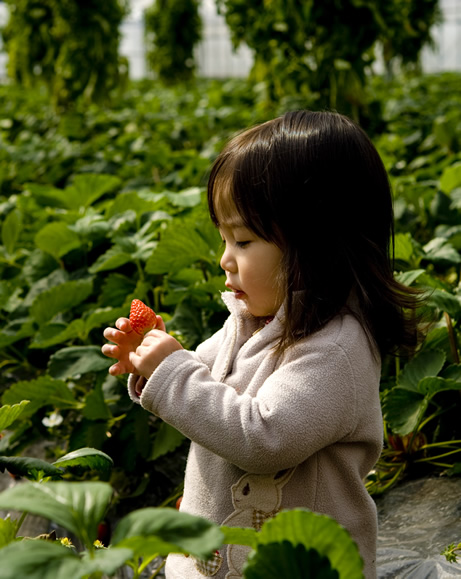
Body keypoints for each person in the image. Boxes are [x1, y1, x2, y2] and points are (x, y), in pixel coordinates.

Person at [102, 110, 422, 579]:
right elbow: (203, 387)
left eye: (244, 240)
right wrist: (152, 361)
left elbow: (262, 438)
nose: (224, 259)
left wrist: (171, 371)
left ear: (317, 244)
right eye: (224, 238)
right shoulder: (248, 320)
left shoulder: (336, 349)